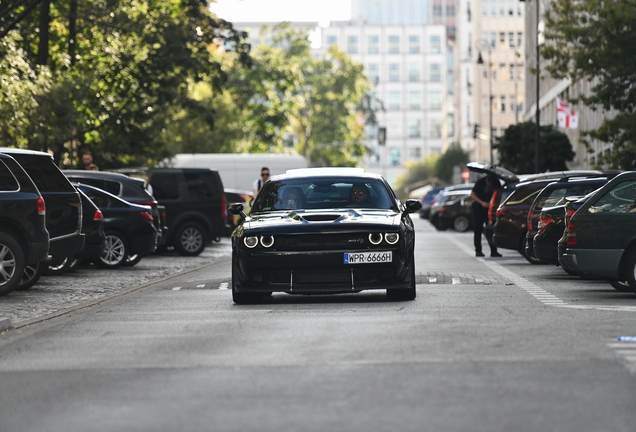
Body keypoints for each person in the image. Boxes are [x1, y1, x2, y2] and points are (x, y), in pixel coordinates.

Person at [470, 175, 502, 257]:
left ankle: (493, 250)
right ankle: (478, 250)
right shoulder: (480, 182)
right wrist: (482, 203)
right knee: (478, 230)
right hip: (478, 209)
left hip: (490, 209)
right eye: (488, 184)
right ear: (487, 180)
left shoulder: (496, 183)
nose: (489, 186)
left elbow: (498, 193)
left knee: (491, 230)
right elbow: (472, 194)